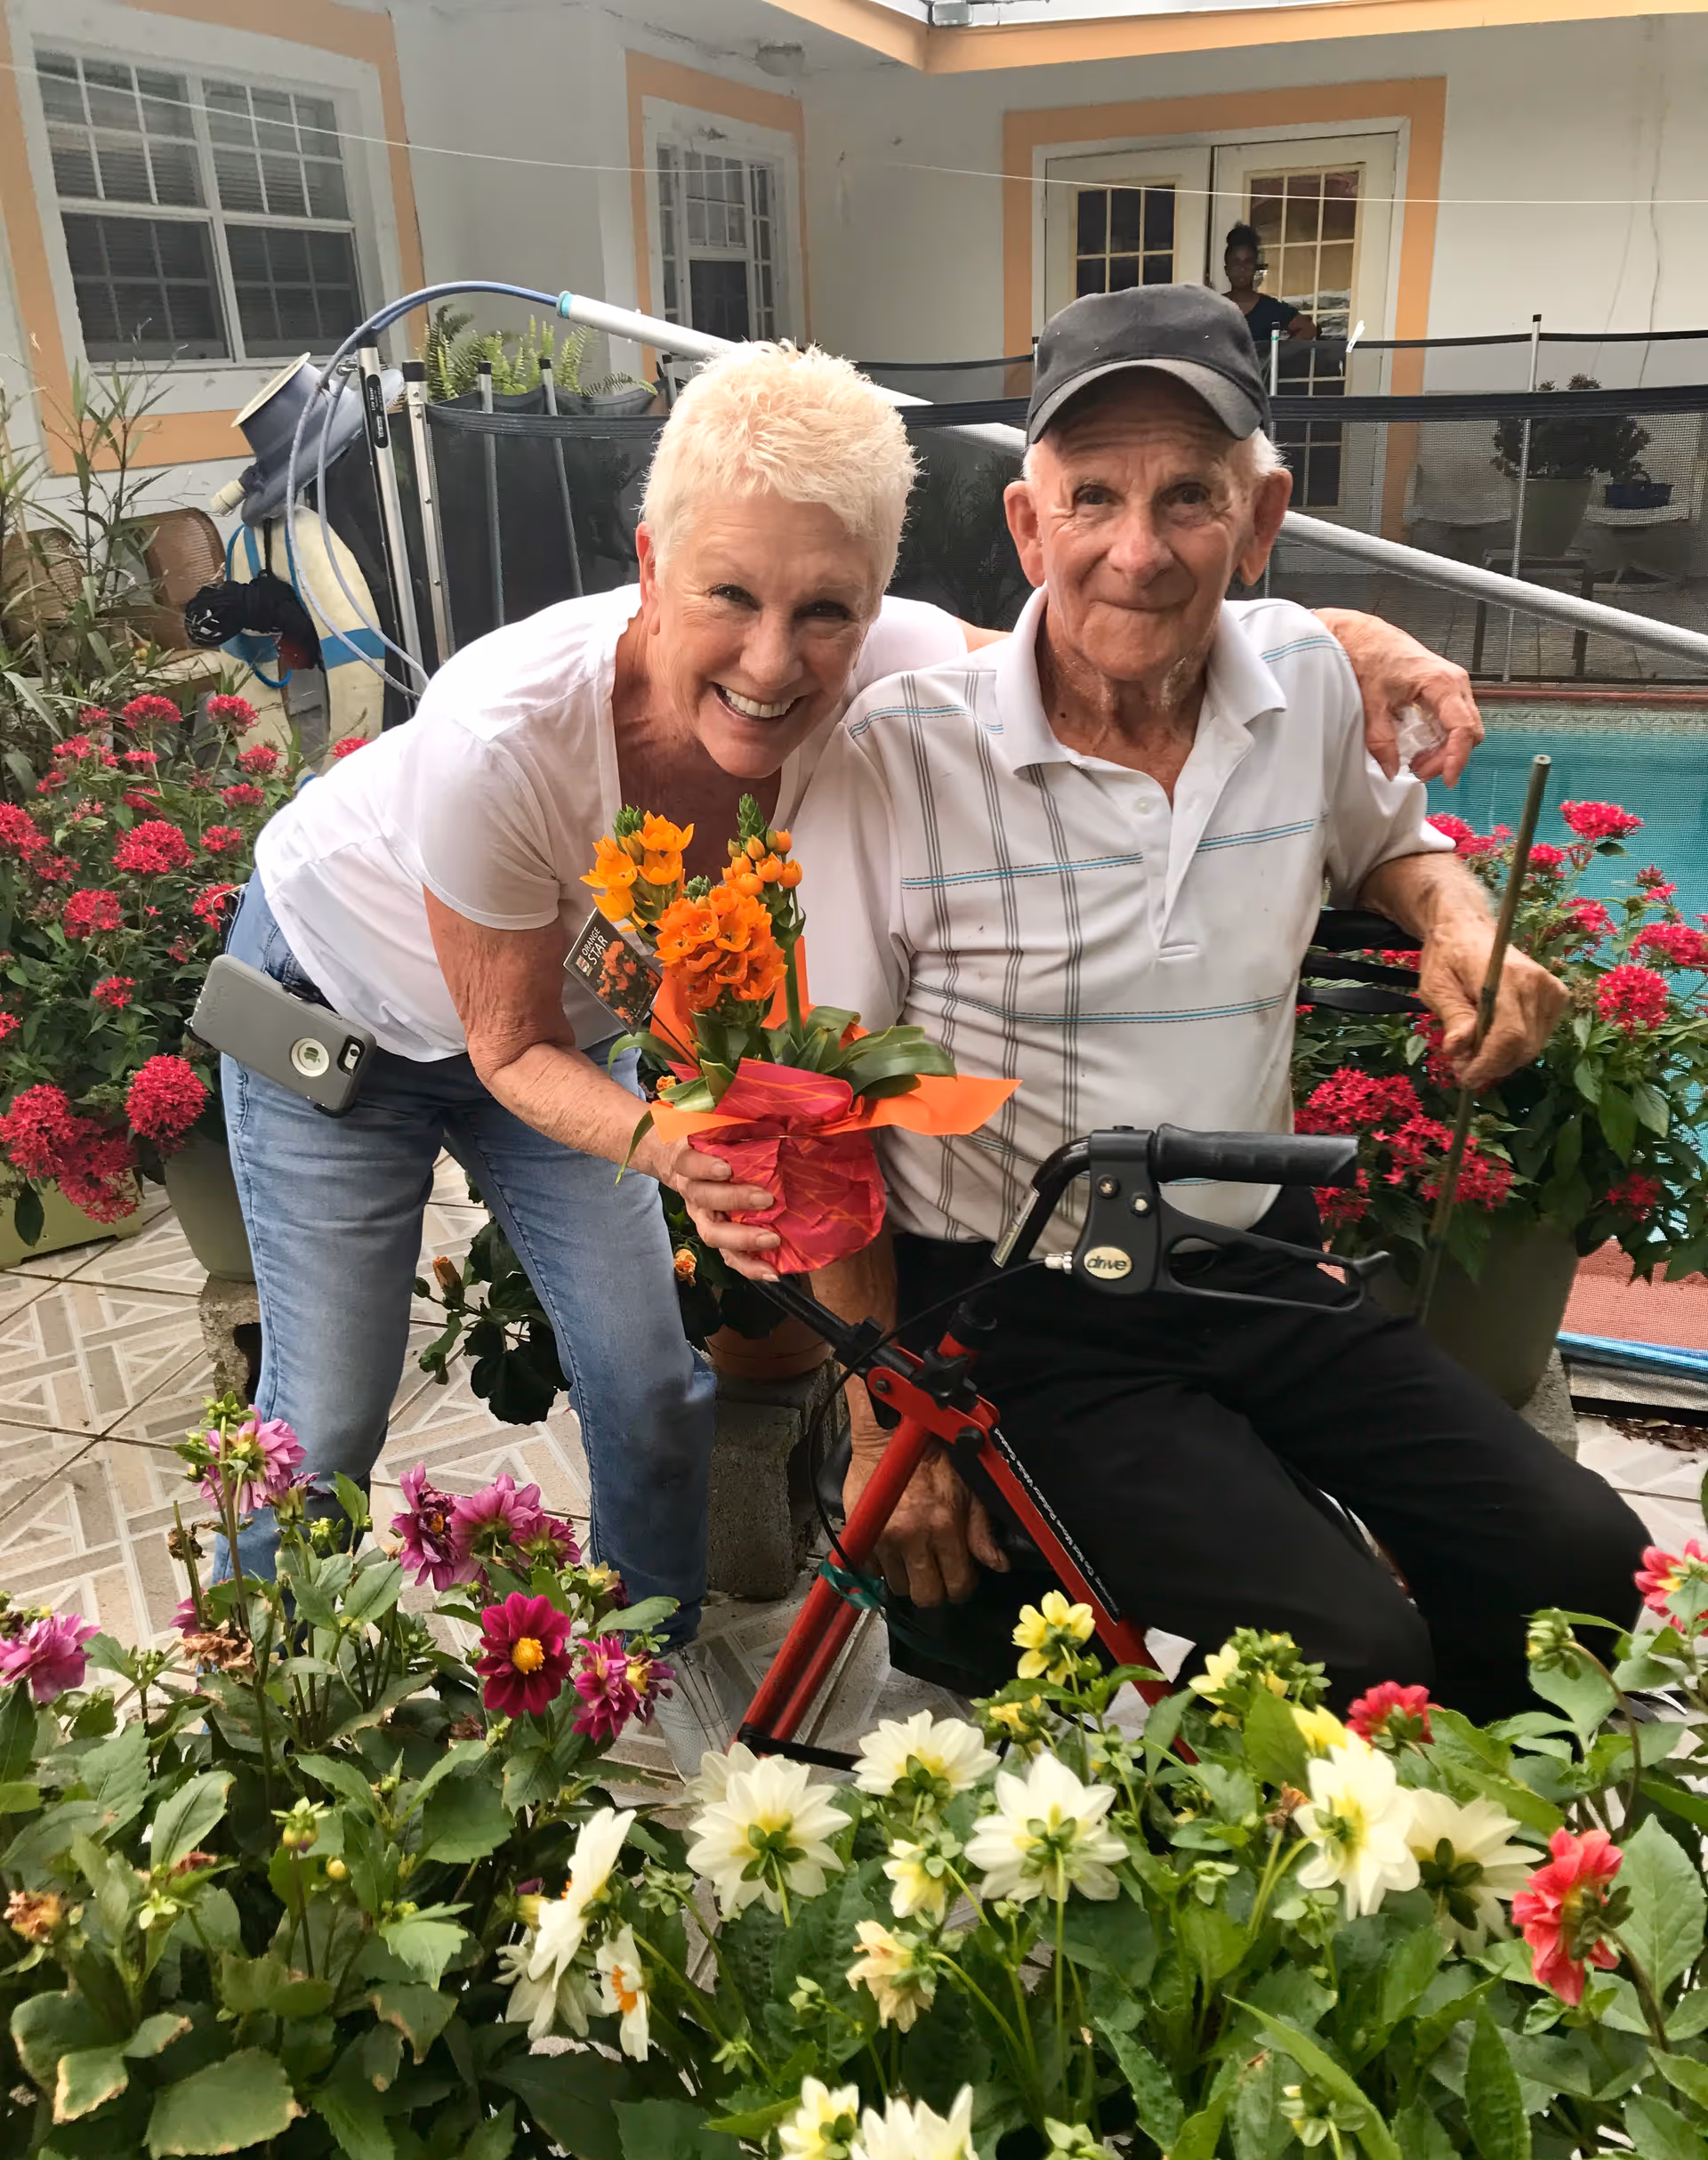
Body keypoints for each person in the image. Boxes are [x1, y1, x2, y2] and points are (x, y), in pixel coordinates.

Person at [222, 337, 1487, 1768]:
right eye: (729, 597)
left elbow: (1114, 625)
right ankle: (258, 1707)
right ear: (651, 566)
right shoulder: (501, 735)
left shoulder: (893, 659)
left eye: (824, 609)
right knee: (326, 1407)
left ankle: (631, 1668)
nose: (775, 662)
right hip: (343, 1011)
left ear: (874, 602)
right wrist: (677, 1142)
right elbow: (503, 1045)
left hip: (565, 1030)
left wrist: (1347, 639)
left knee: (650, 1386)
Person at [785, 286, 1646, 1722]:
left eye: (1189, 495)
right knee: (1351, 1645)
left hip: (1251, 1263)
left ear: (1259, 521)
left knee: (1583, 1559)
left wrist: (1458, 919)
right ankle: (1325, 1822)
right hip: (1019, 1309)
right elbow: (823, 1114)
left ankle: (1466, 1825)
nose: (1138, 549)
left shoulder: (1304, 679)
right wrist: (886, 1411)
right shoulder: (898, 758)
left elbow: (1388, 843)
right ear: (1029, 528)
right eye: (1095, 497)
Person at [1223, 221, 1317, 352]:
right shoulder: (1215, 305)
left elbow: (1308, 329)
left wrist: (1278, 355)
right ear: (1227, 269)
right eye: (1236, 262)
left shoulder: (1269, 307)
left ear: (1255, 268)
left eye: (1248, 262)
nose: (1242, 268)